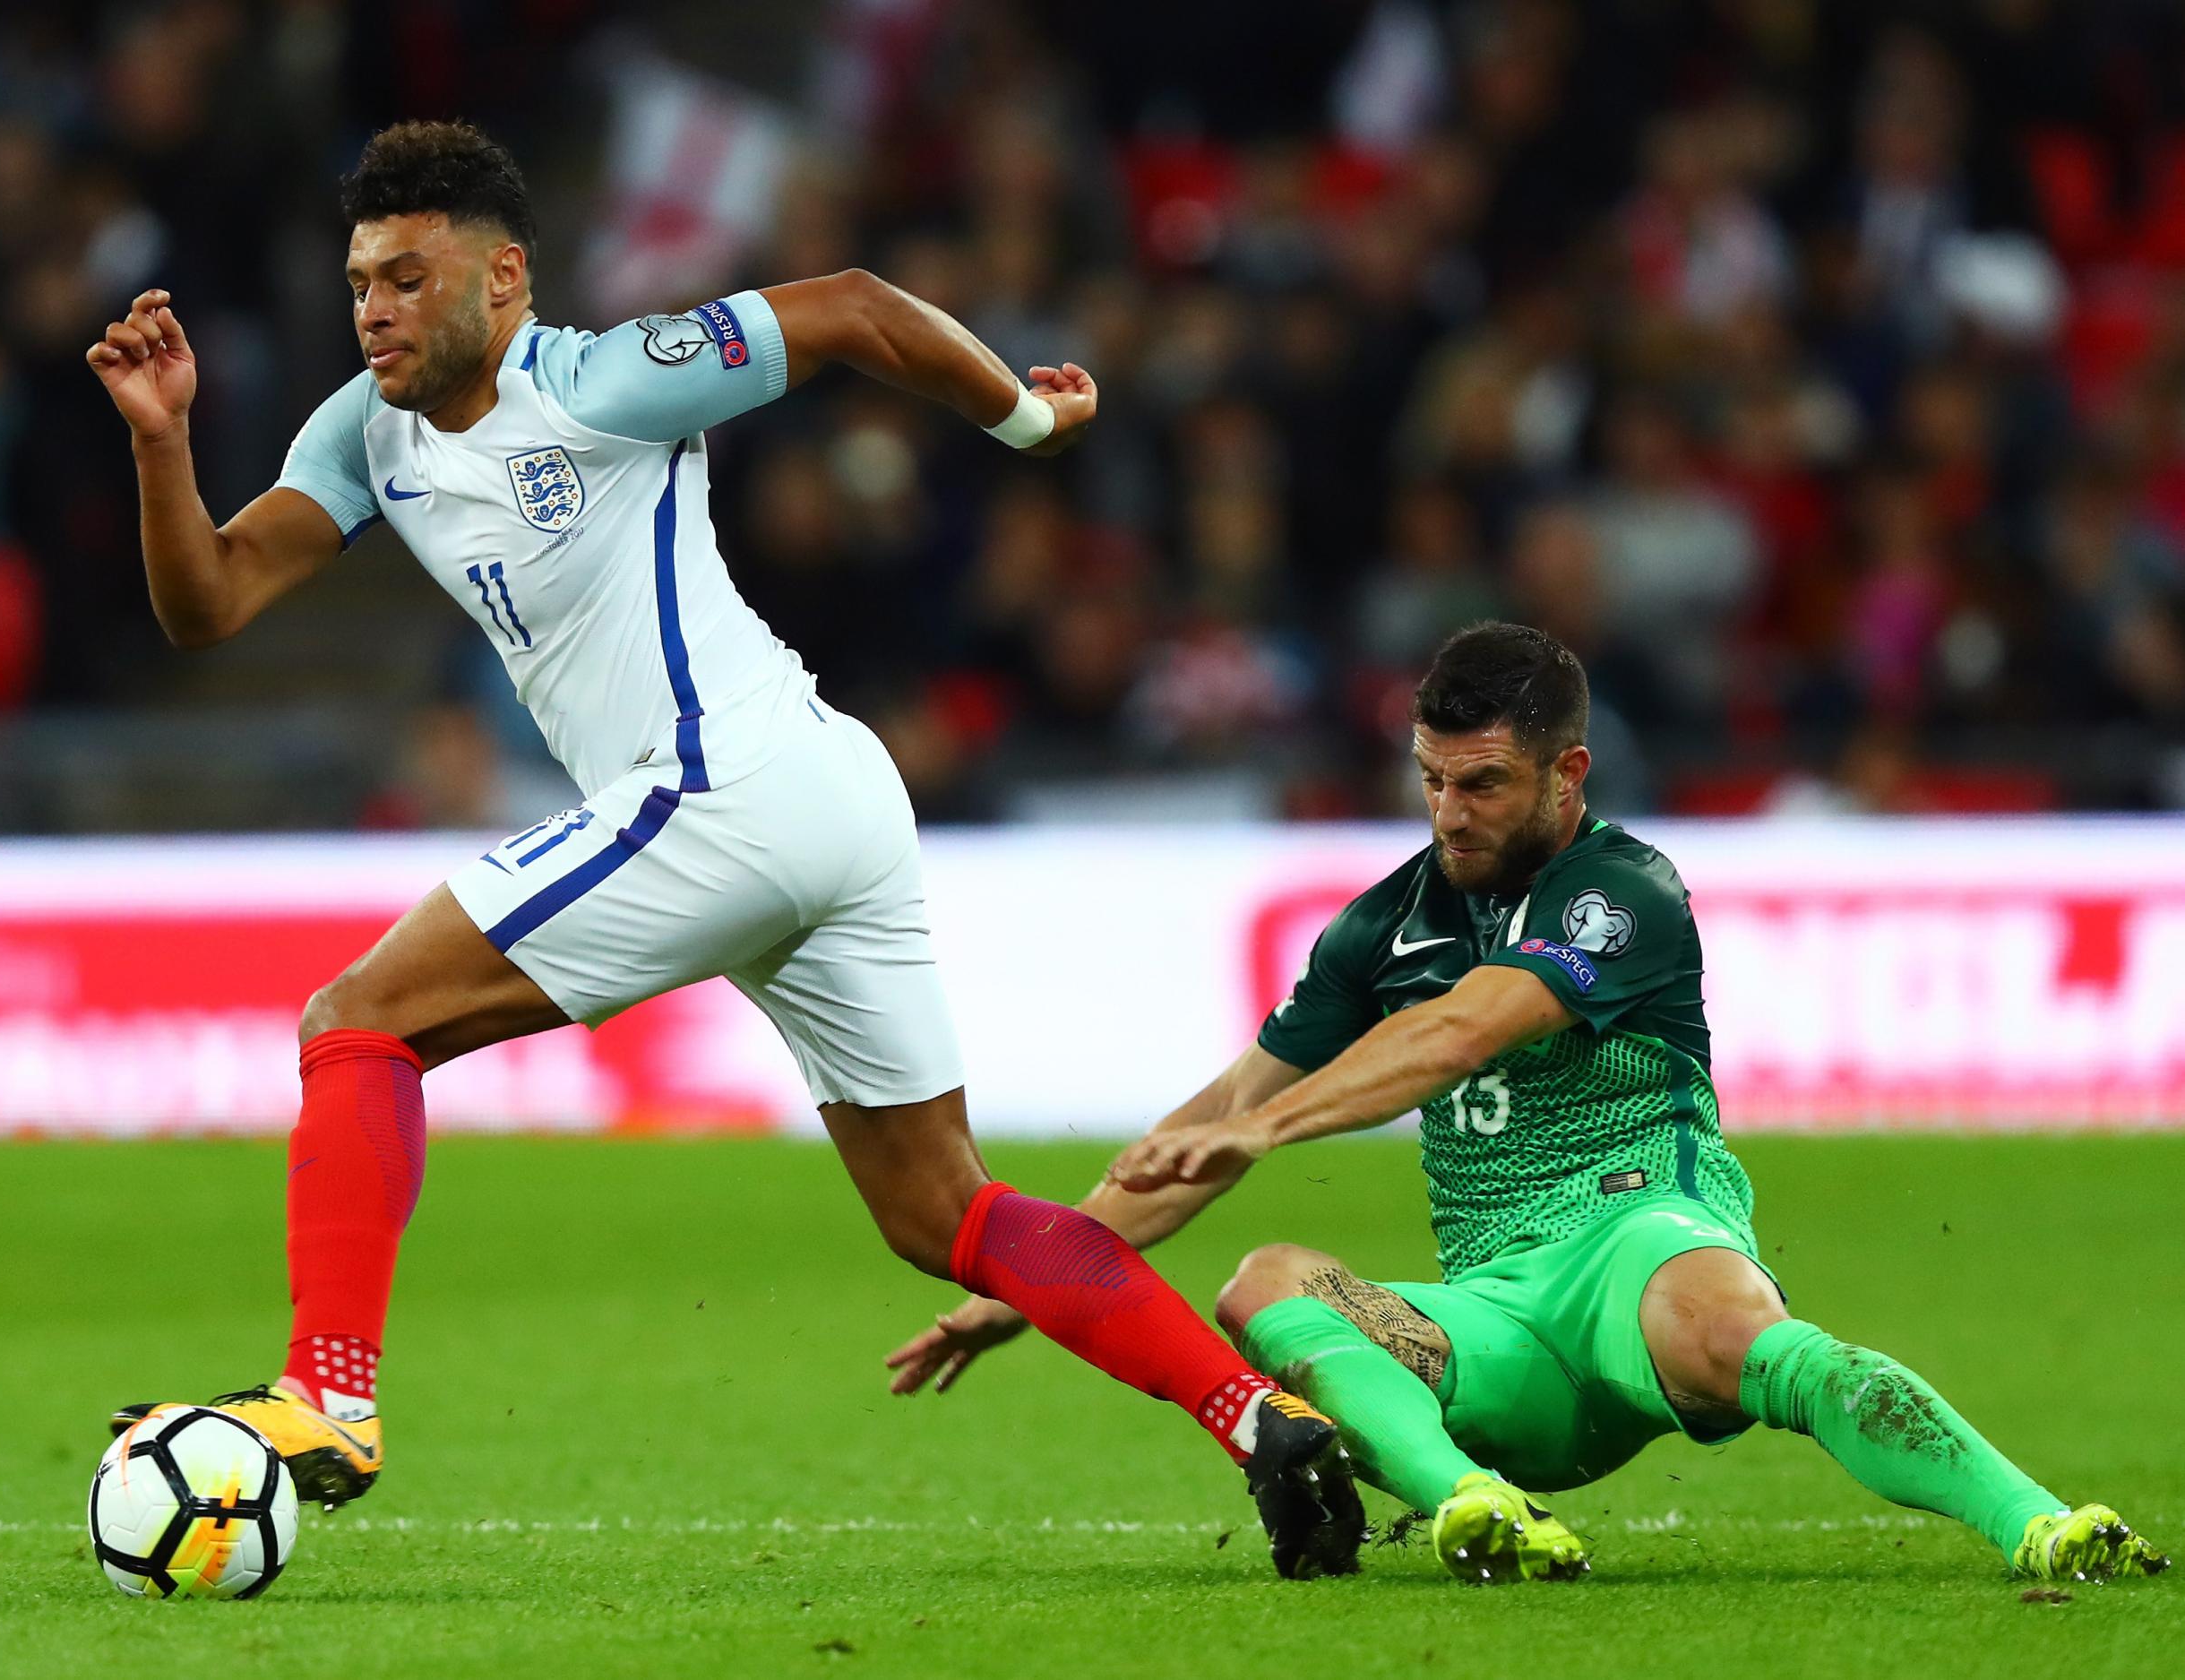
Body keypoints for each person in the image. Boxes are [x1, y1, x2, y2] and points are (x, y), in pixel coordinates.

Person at [86, 120, 1360, 1578]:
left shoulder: (607, 378)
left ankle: (328, 1401)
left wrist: (1024, 419)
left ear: (502, 280)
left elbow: (864, 309)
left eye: (408, 276)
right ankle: (1258, 1422)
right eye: (361, 277)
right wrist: (165, 443)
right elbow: (211, 604)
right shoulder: (362, 435)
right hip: (816, 799)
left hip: (725, 786)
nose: (373, 306)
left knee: (355, 1024)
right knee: (940, 1211)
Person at [888, 621, 2170, 1586]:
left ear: (1568, 772)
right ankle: (1472, 1504)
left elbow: (1464, 1031)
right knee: (1266, 1280)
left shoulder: (1624, 892)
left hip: (1640, 1245)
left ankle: (2043, 1526)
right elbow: (1220, 1113)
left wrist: (1266, 1128)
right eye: (1432, 779)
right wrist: (1035, 1283)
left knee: (1743, 1332)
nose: (1451, 813)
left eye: (1484, 784)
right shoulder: (1383, 924)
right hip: (1496, 1318)